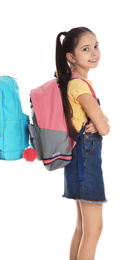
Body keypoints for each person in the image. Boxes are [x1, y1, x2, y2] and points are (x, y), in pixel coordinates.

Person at [55, 27, 110, 260]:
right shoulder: (79, 86)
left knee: (82, 228)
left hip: (77, 160)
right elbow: (105, 128)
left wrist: (100, 121)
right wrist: (102, 121)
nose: (93, 52)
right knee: (94, 230)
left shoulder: (72, 82)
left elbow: (99, 122)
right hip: (85, 162)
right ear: (71, 57)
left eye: (96, 46)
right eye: (85, 49)